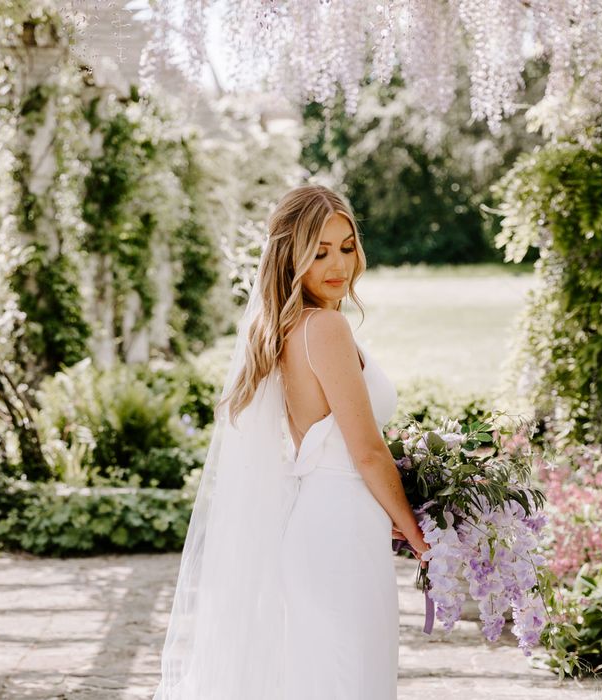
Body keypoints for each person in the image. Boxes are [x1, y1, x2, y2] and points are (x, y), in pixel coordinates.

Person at [152, 184, 429, 700]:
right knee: (350, 680)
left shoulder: (291, 327)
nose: (338, 264)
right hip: (340, 528)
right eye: (319, 251)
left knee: (328, 677)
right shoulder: (324, 327)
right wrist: (418, 533)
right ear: (290, 254)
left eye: (346, 246)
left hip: (326, 522)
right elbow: (366, 452)